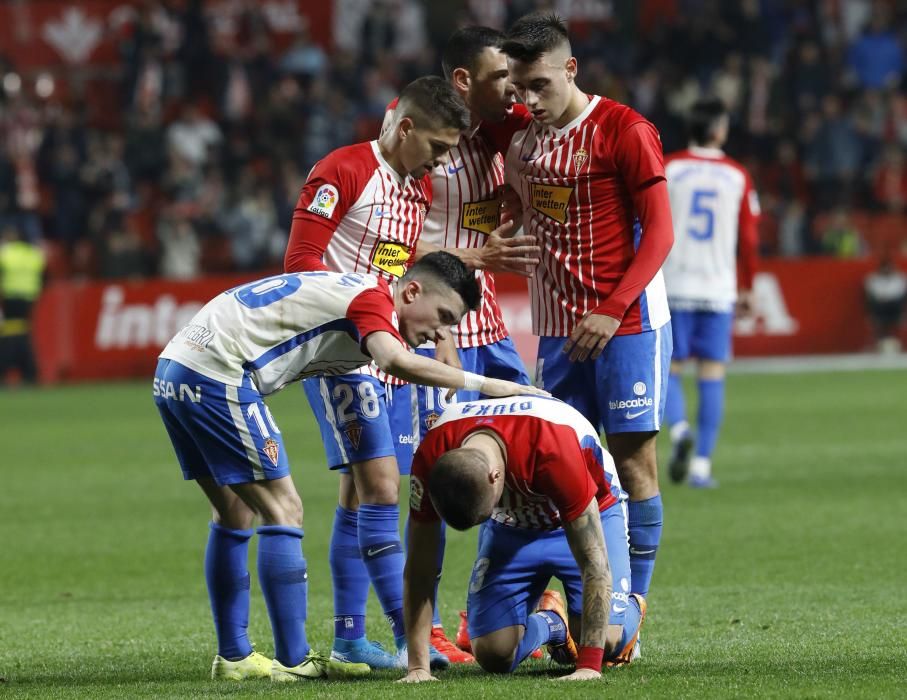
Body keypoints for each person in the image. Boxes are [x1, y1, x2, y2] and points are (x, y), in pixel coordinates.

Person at [152, 253, 546, 682]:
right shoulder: (372, 301)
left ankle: (234, 656)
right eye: (443, 316)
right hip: (218, 376)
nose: (440, 334)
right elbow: (394, 360)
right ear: (411, 291)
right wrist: (486, 384)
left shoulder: (356, 294)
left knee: (233, 512)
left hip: (174, 368)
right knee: (283, 510)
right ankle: (294, 660)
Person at [481, 12, 675, 606]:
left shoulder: (623, 129)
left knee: (633, 462)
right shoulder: (518, 138)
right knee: (564, 470)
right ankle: (570, 598)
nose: (529, 100)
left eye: (541, 85)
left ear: (571, 69)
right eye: (518, 88)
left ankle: (630, 607)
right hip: (558, 331)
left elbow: (661, 234)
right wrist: (479, 238)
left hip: (627, 324)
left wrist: (613, 309)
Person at [283, 75, 477, 669]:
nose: (443, 163)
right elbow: (301, 264)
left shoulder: (413, 191)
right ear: (407, 127)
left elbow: (403, 282)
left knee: (358, 494)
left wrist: (437, 332)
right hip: (344, 349)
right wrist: (362, 321)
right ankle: (409, 637)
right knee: (386, 488)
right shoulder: (341, 171)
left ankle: (348, 640)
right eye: (439, 148)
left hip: (384, 352)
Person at [381, 26, 541, 663]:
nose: (513, 89)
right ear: (463, 81)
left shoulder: (502, 131)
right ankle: (430, 628)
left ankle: (494, 609)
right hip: (438, 326)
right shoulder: (418, 137)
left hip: (491, 323)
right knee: (434, 480)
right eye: (501, 78)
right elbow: (389, 241)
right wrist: (470, 256)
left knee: (513, 464)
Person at [401, 397, 646, 683]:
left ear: (495, 477)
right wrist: (418, 668)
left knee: (603, 641)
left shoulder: (552, 446)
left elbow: (593, 561)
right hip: (510, 528)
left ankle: (630, 609)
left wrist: (588, 666)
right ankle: (552, 624)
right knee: (493, 653)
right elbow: (420, 567)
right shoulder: (431, 454)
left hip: (588, 515)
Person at [661, 97, 760, 488]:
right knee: (713, 373)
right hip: (718, 287)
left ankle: (680, 428)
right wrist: (748, 283)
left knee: (670, 369)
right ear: (719, 130)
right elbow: (749, 238)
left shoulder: (670, 167)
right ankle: (702, 465)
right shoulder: (738, 175)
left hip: (673, 283)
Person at [0, 225, 45, 385]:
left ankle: (5, 368)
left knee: (9, 333)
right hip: (30, 299)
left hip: (10, 298)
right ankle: (29, 371)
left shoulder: (6, 252)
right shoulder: (33, 254)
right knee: (23, 332)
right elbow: (43, 272)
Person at [864, 253, 907, 354]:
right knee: (877, 305)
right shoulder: (872, 279)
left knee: (896, 303)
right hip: (879, 309)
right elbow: (871, 297)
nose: (887, 270)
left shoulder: (900, 279)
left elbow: (900, 296)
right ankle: (879, 344)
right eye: (885, 268)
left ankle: (898, 344)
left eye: (889, 268)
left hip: (895, 309)